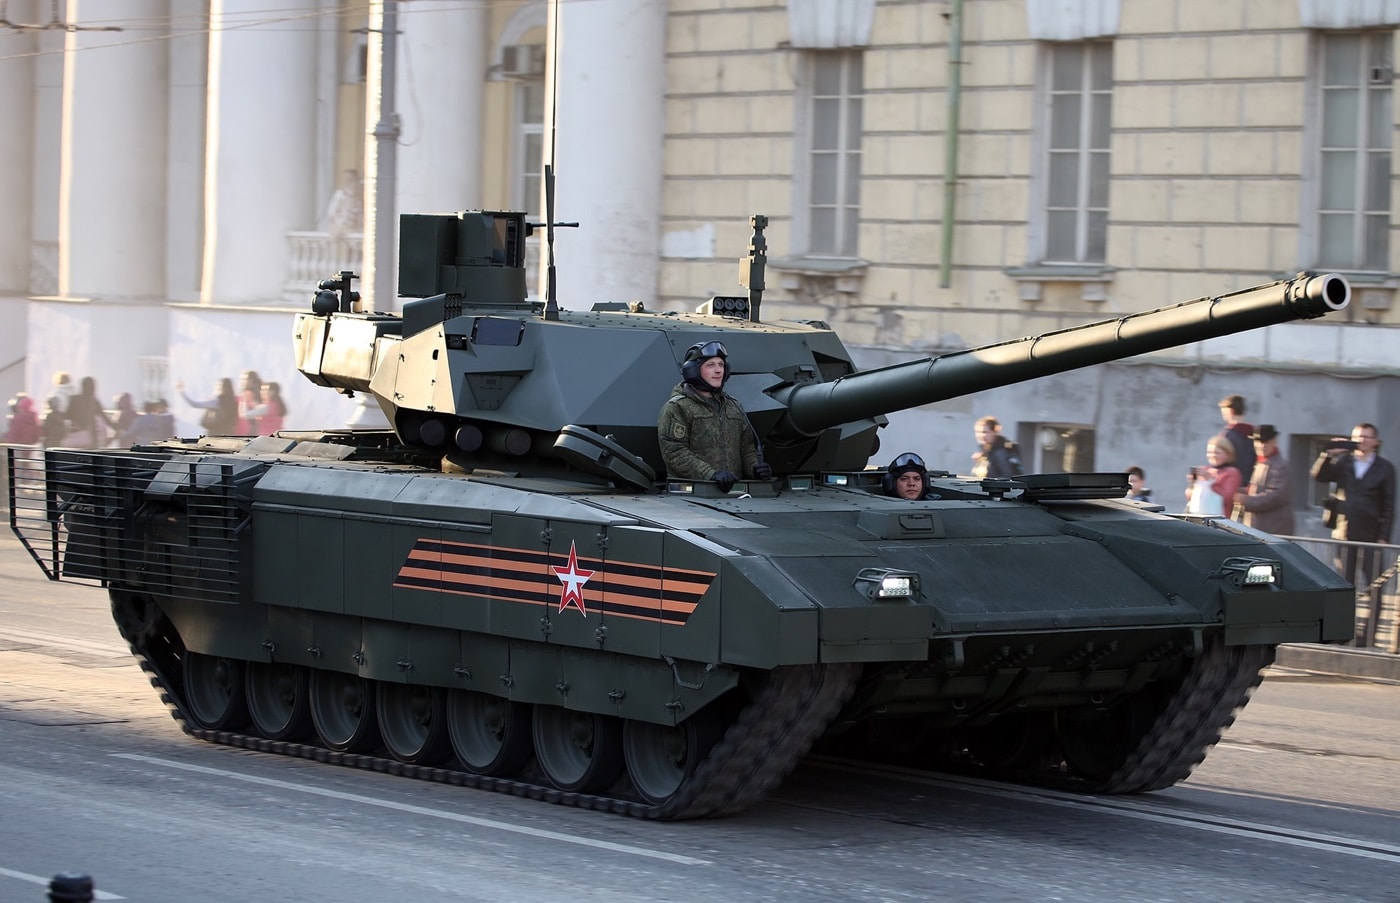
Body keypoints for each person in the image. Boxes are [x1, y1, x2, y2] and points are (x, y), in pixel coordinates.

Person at [658, 340, 771, 491]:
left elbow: (747, 449)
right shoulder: (678, 407)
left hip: (734, 492)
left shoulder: (733, 406)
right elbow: (675, 453)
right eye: (710, 365)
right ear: (693, 371)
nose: (718, 370)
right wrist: (710, 474)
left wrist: (755, 468)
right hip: (691, 493)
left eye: (721, 365)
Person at [1312, 423, 1396, 588]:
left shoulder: (1385, 468)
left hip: (1371, 534)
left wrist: (1384, 536)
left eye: (1366, 436)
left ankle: (1374, 614)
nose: (1361, 440)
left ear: (1376, 442)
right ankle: (1346, 614)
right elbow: (1320, 477)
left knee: (1375, 584)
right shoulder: (1344, 462)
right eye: (1357, 437)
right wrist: (1328, 454)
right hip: (1344, 531)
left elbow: (1389, 504)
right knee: (1344, 582)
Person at [1235, 424, 1293, 534]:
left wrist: (1246, 499)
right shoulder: (1262, 463)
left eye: (1266, 441)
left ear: (1274, 441)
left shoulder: (1280, 466)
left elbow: (1276, 496)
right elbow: (1257, 489)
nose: (1262, 445)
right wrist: (1236, 491)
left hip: (1273, 531)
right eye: (1258, 441)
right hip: (1261, 529)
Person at [1185, 434, 1243, 516]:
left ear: (1228, 454)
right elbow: (1190, 497)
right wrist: (1193, 483)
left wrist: (1210, 481)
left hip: (1219, 518)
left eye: (1217, 453)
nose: (1212, 456)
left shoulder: (1232, 472)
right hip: (1198, 515)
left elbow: (1226, 498)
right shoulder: (1205, 469)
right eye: (1210, 452)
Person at [64, 376, 116, 449]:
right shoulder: (94, 401)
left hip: (75, 433)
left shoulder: (74, 399)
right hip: (91, 436)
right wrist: (116, 428)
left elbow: (67, 416)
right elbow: (104, 417)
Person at [1218, 394, 1255, 484]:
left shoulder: (1228, 435)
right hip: (1250, 482)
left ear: (1231, 411)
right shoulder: (1255, 433)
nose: (1223, 416)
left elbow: (1220, 460)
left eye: (1224, 413)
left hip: (1230, 481)